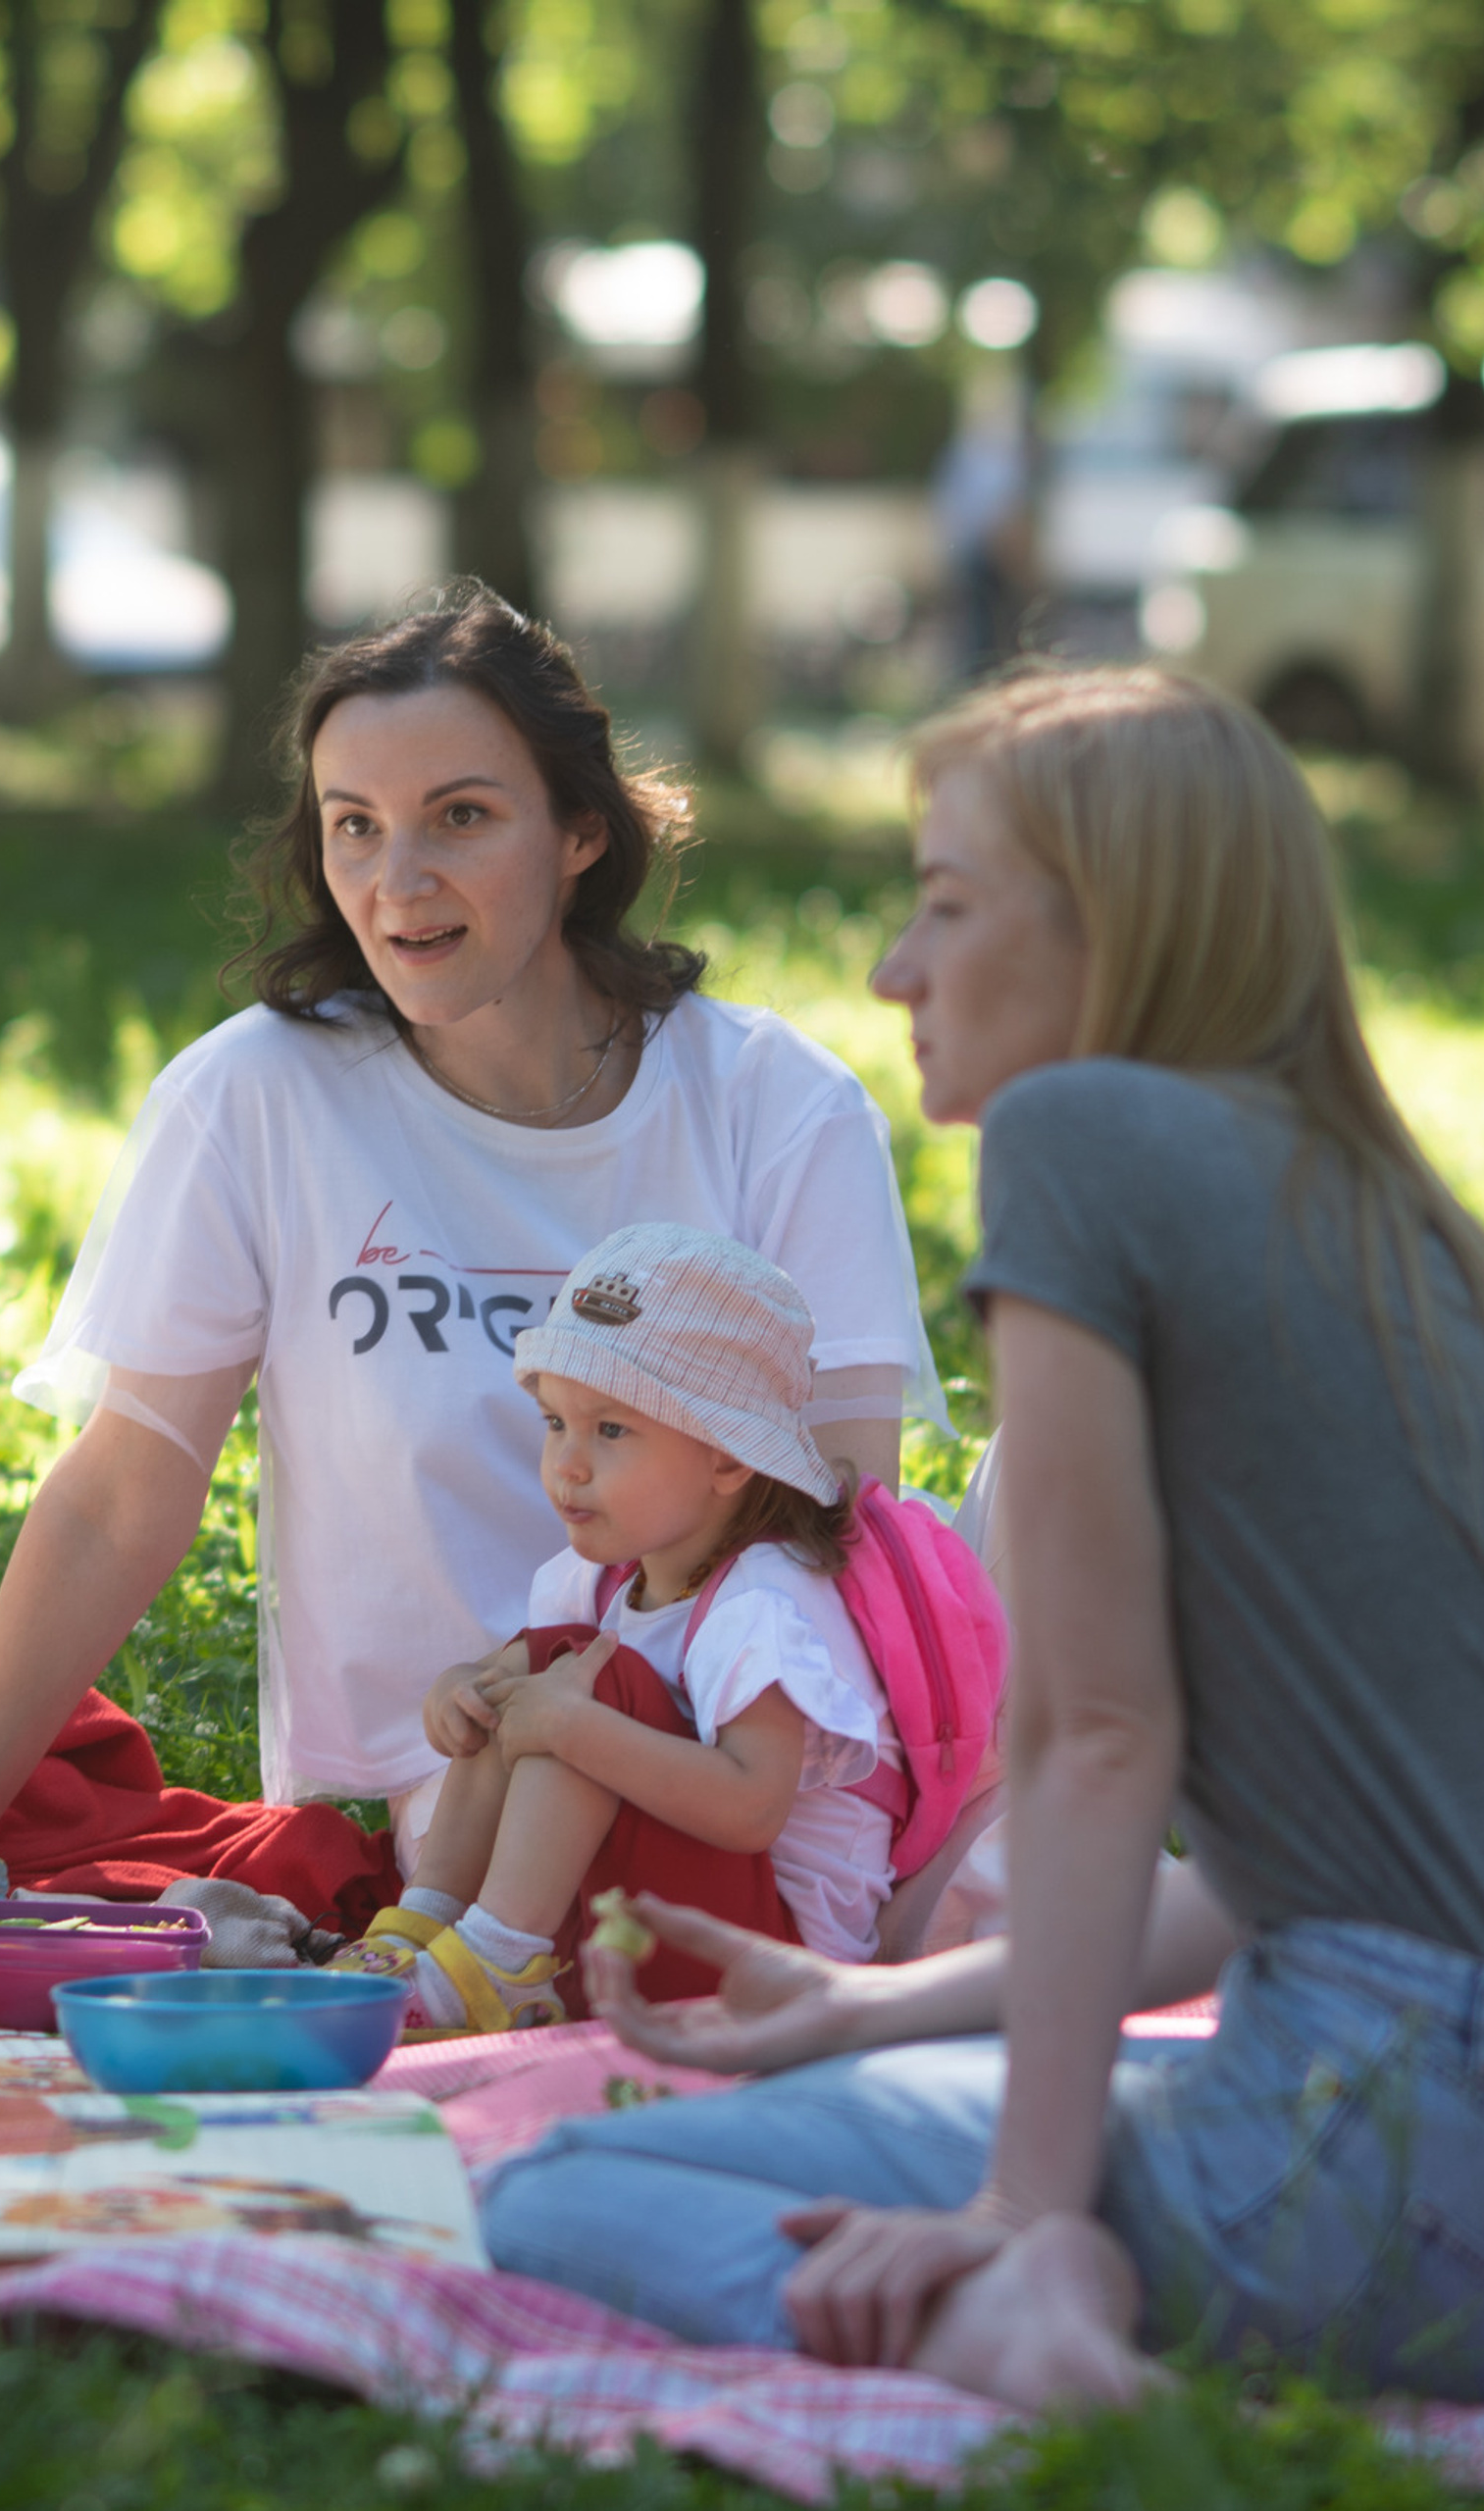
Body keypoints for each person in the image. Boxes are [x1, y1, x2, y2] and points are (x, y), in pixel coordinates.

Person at [481, 665, 1484, 2409]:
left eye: (946, 904)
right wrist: (866, 2009)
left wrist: (1027, 2203)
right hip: (1413, 2143)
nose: (893, 970)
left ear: (1113, 928)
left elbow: (1095, 1735)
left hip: (1371, 2150)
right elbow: (1300, 1882)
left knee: (567, 2187)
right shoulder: (1404, 1230)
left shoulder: (1080, 1136)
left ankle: (1027, 2340)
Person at [0, 586, 942, 1874]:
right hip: (454, 1813)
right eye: (356, 827)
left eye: (461, 816)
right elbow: (119, 1499)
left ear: (577, 830)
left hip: (754, 1790)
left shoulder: (781, 1107)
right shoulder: (255, 1102)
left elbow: (841, 1520)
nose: (399, 882)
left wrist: (603, 1710)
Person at [332, 1222, 905, 2033]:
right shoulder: (602, 1578)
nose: (567, 1462)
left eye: (610, 1430)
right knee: (543, 1669)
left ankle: (498, 1960)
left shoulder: (761, 1608)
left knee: (585, 1685)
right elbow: (522, 1682)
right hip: (664, 1913)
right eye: (555, 1422)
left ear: (729, 1459)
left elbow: (752, 1808)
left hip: (767, 1961)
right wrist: (462, 1694)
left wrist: (580, 1730)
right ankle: (429, 1919)